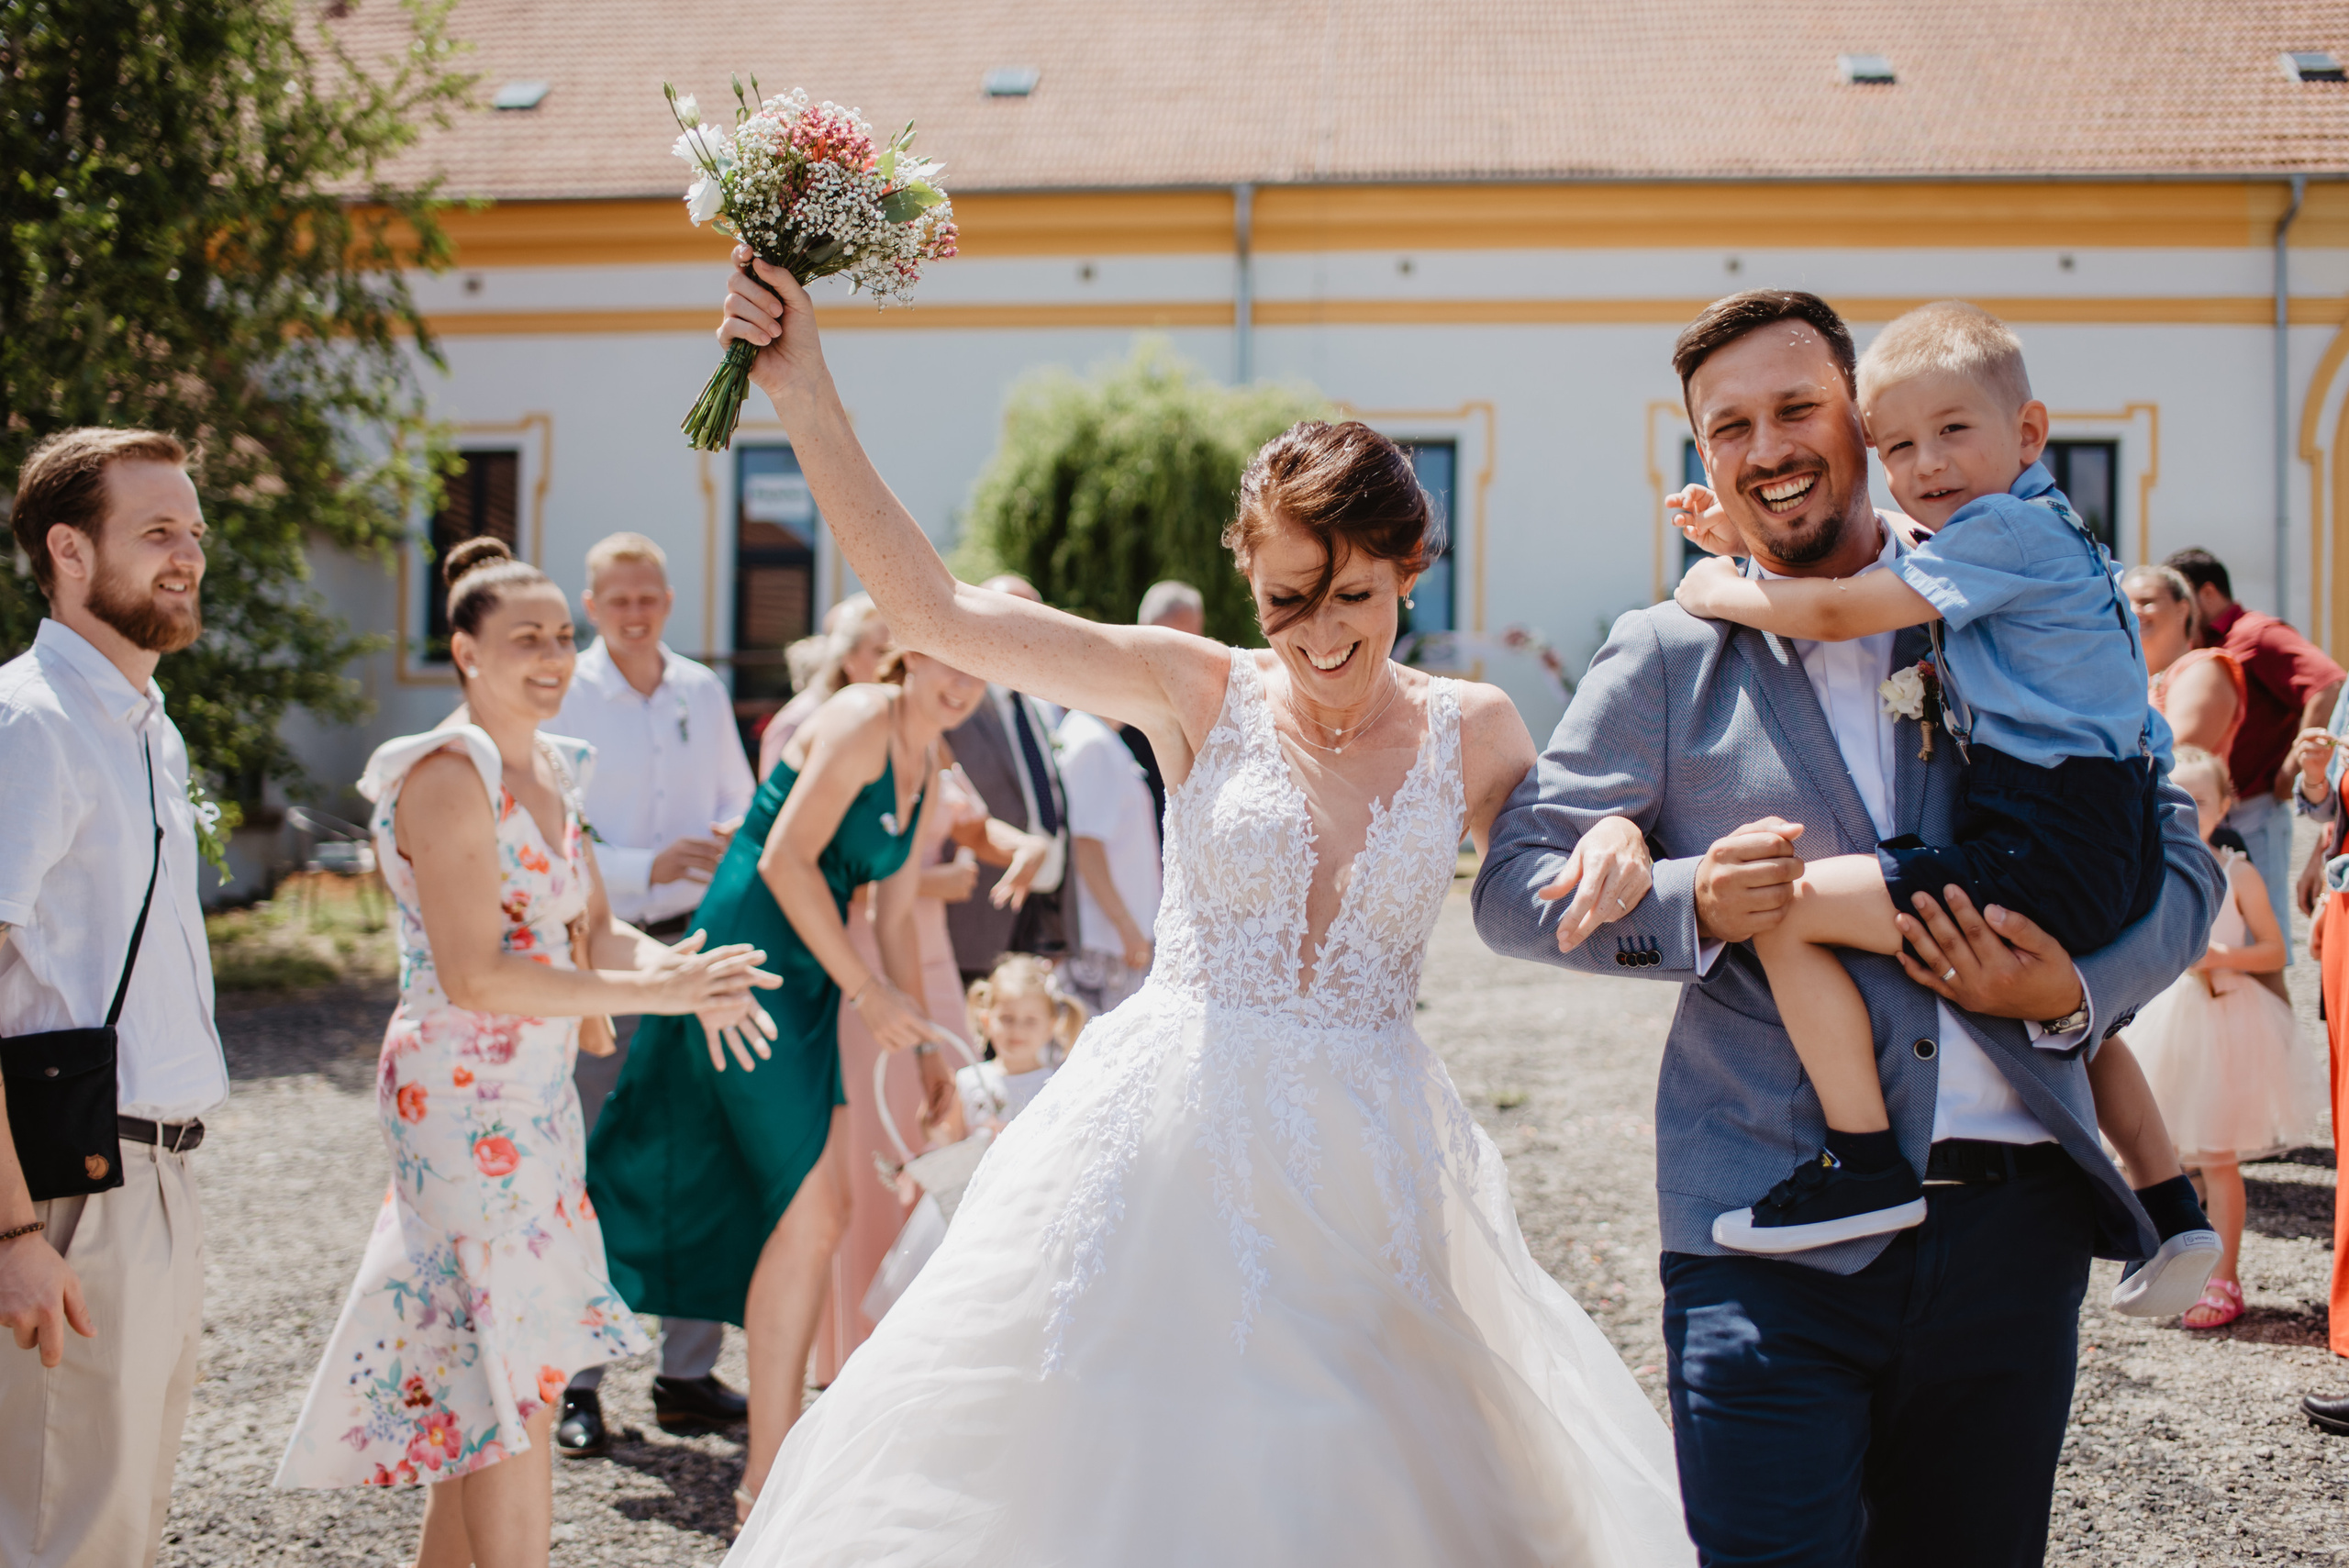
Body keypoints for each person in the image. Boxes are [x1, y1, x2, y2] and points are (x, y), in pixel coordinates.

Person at [711, 250, 1691, 1565]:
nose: (1320, 633)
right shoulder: (1196, 689)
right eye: (1286, 599)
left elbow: (1567, 850)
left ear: (1410, 566)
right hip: (1168, 1138)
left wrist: (1624, 830)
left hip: (1370, 1158)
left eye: (1354, 596)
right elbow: (930, 610)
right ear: (1248, 584)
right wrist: (803, 386)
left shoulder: (1481, 727)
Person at [1473, 289, 2221, 1565]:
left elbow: (2181, 854)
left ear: (1862, 427)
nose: (1767, 447)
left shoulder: (1992, 598)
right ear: (1702, 456)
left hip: (2011, 1227)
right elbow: (1512, 888)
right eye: (1730, 428)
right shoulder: (1662, 652)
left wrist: (2070, 992)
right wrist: (1690, 899)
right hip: (1763, 1230)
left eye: (1796, 408)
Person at [1661, 302, 2211, 1297]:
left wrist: (1716, 586)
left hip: (2046, 826)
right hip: (2099, 811)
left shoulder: (1992, 538)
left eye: (1953, 431)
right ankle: (2172, 1211)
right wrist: (1739, 535)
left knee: (1784, 907)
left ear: (2029, 433)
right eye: (1898, 444)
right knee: (2095, 1029)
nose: (1926, 465)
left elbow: (1832, 609)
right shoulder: (2051, 530)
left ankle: (1863, 1158)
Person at [274, 539, 777, 1568]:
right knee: (512, 1384)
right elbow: (478, 974)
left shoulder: (554, 766)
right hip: (456, 1100)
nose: (552, 656)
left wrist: (694, 968)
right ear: (464, 650)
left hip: (539, 1100)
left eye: (560, 636)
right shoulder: (445, 774)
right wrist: (651, 993)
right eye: (524, 638)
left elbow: (591, 931)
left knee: (501, 1376)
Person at [584, 641, 979, 1524]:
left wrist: (925, 1053)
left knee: (816, 1215)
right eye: (948, 663)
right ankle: (765, 1482)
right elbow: (783, 862)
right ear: (908, 656)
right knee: (814, 1212)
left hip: (810, 975)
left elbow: (899, 910)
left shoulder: (928, 760)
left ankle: (770, 1467)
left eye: (979, 669)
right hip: (750, 964)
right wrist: (866, 990)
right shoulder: (859, 718)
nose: (962, 685)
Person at [0, 428, 227, 1568]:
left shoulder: (146, 724)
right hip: (63, 1192)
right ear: (69, 551)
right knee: (59, 1529)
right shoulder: (30, 722)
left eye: (192, 529)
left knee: (121, 1521)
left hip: (158, 1177)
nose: (188, 554)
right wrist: (8, 1233)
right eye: (156, 531)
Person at [548, 531, 756, 1456]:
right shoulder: (566, 693)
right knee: (598, 1158)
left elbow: (741, 797)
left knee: (699, 1150)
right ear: (591, 605)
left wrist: (721, 837)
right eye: (618, 599)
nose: (636, 613)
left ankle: (686, 1369)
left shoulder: (702, 690)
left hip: (698, 940)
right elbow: (556, 830)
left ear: (669, 598)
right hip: (602, 948)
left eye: (650, 597)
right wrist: (641, 864)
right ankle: (576, 1380)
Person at [813, 746, 1050, 1385]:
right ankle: (859, 1348)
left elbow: (972, 828)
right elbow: (818, 872)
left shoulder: (937, 755)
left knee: (948, 1128)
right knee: (877, 1140)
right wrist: (931, 883)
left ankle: (935, 1340)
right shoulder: (856, 756)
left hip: (934, 966)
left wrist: (1023, 843)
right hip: (864, 965)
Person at [2123, 747, 2320, 1330]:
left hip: (2226, 1026)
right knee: (2164, 1152)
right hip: (2169, 1024)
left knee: (2217, 1154)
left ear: (2226, 804)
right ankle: (2165, 1269)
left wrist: (2217, 957)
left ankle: (2225, 1275)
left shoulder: (2239, 872)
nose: (2187, 810)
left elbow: (2275, 950)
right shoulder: (2152, 866)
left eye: (2201, 800)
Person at [2165, 546, 2343, 955]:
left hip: (2256, 809)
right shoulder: (2204, 644)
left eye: (2184, 596)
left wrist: (2291, 770)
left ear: (2207, 593)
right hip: (2215, 810)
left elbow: (2329, 684)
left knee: (2263, 930)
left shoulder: (2257, 632)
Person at [941, 574, 1072, 981]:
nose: (1025, 631)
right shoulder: (954, 702)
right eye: (1012, 618)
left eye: (1035, 619)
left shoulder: (1033, 703)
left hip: (1039, 906)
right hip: (976, 912)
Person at [1056, 704, 1162, 1014]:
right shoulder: (1093, 743)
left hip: (1111, 942)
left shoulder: (1096, 737)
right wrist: (1127, 927)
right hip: (1104, 945)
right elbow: (1086, 845)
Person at [758, 594, 889, 781]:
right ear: (848, 656)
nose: (892, 665)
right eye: (881, 652)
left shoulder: (891, 717)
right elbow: (773, 805)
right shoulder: (798, 721)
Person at [954, 954, 1086, 1132]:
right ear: (986, 1021)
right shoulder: (967, 1081)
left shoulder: (1059, 1086)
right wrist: (932, 1123)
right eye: (1007, 1018)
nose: (1018, 1030)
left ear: (1050, 1027)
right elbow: (950, 1142)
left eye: (1030, 1020)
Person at [1123, 579, 1208, 824]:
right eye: (1167, 646)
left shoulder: (1210, 695)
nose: (1177, 660)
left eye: (1190, 644)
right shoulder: (1118, 706)